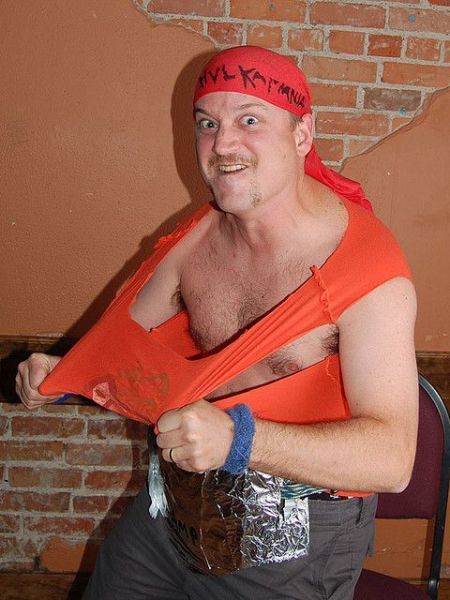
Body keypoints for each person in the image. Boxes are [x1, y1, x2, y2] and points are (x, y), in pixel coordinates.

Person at [16, 46, 418, 599]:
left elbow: (392, 461)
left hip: (296, 538)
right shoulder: (194, 242)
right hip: (173, 507)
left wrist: (237, 438)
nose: (223, 144)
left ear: (302, 134)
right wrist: (61, 377)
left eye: (250, 121)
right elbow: (119, 349)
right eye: (208, 123)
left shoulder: (367, 269)